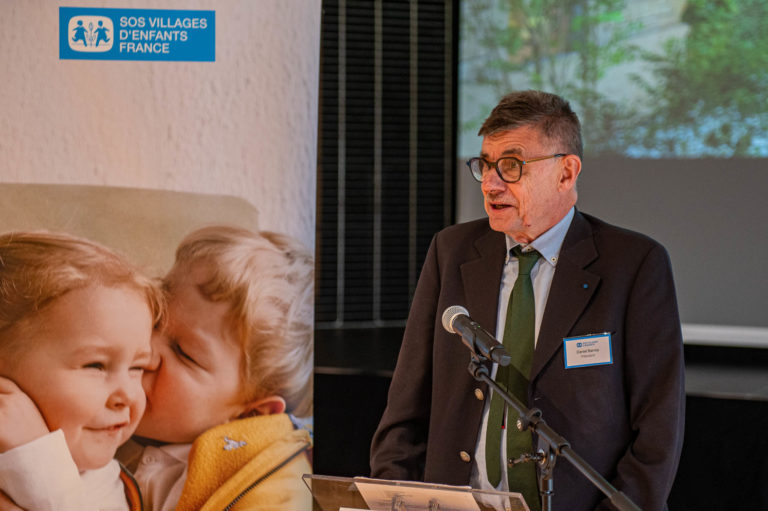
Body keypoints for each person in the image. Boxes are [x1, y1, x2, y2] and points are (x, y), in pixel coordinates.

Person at [370, 90, 685, 511]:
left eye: (512, 166)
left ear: (566, 173)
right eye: (484, 165)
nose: (491, 183)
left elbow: (658, 430)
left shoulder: (633, 265)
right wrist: (397, 497)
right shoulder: (453, 251)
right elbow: (406, 405)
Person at [116, 225, 314, 510]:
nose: (145, 351)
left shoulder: (272, 486)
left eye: (183, 353)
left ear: (250, 414)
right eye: (156, 316)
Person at [0, 231, 163, 511]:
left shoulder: (115, 480)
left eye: (138, 367)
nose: (126, 395)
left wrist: (43, 470)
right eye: (96, 365)